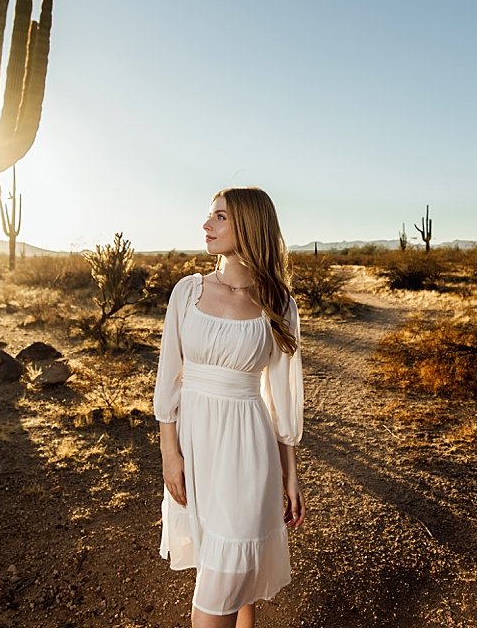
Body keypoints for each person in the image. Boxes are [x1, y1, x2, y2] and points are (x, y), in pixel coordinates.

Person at [154, 186, 306, 628]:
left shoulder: (278, 303)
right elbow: (169, 379)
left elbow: (281, 399)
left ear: (249, 225)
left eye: (220, 217)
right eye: (210, 216)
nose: (207, 225)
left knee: (230, 567)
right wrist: (170, 452)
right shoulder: (187, 293)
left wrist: (291, 476)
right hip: (195, 446)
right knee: (220, 565)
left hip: (248, 449)